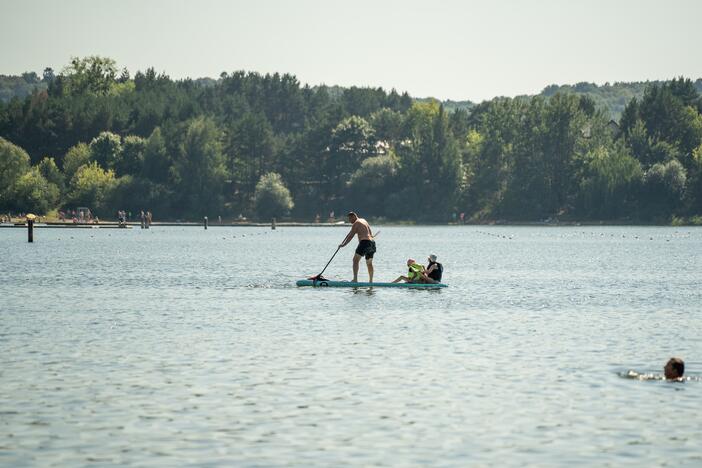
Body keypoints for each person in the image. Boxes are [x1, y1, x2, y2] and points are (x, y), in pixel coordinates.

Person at [339, 211, 376, 282]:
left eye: (350, 219)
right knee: (369, 263)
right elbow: (370, 233)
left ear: (354, 216)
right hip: (372, 243)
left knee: (355, 260)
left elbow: (350, 236)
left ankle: (355, 279)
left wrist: (343, 245)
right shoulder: (363, 220)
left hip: (364, 243)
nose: (350, 221)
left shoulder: (356, 223)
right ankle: (371, 281)